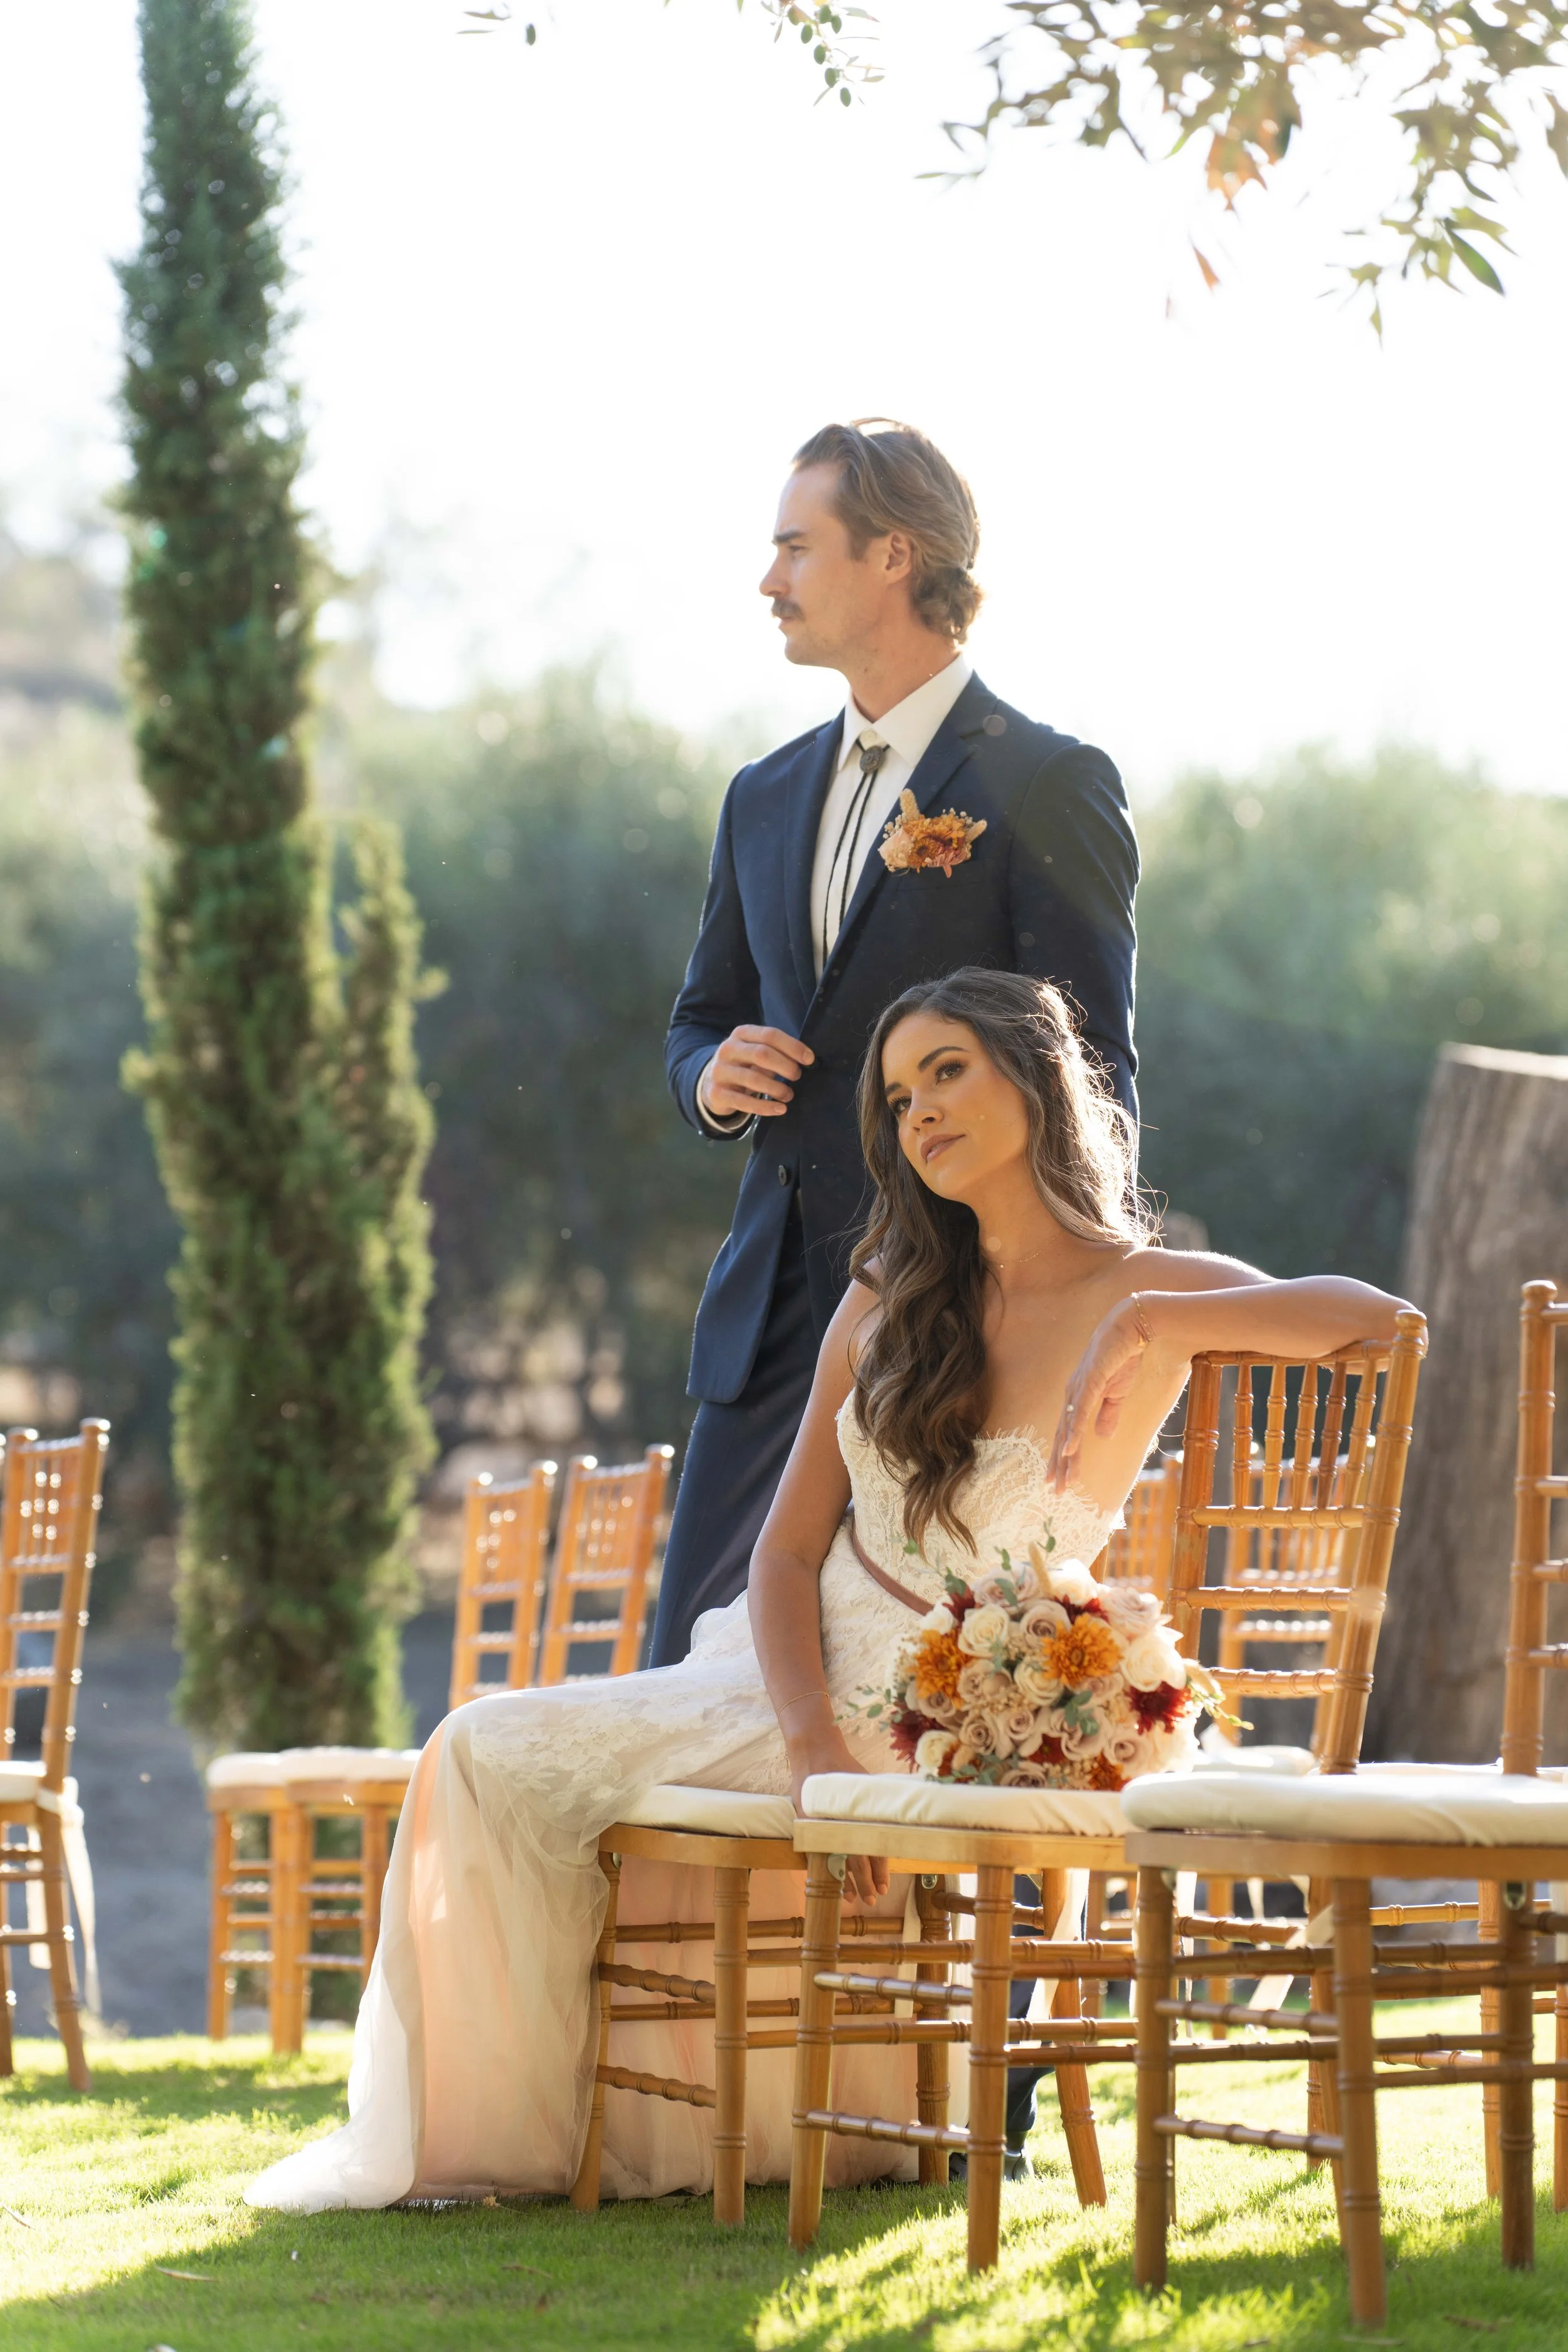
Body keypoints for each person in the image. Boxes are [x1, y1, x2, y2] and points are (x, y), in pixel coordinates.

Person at [246, 968, 1411, 2213]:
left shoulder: (1146, 1289)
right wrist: (807, 1740)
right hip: (790, 1680)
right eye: (900, 1096)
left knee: (482, 1750)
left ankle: (544, 2133)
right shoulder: (885, 1293)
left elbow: (1383, 1324)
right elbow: (784, 1554)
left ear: (1036, 1076)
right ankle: (525, 2128)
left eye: (946, 1071)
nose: (920, 1111)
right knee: (484, 1752)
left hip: (940, 1712)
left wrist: (1147, 1325)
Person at [653, 418, 1139, 1673]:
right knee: (686, 1666)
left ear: (892, 555)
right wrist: (711, 1077)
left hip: (950, 1312)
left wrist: (1059, 1296)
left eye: (795, 547)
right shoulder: (761, 795)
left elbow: (1092, 1067)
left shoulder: (1047, 781)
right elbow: (698, 1018)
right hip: (770, 1313)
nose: (769, 580)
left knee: (921, 1677)